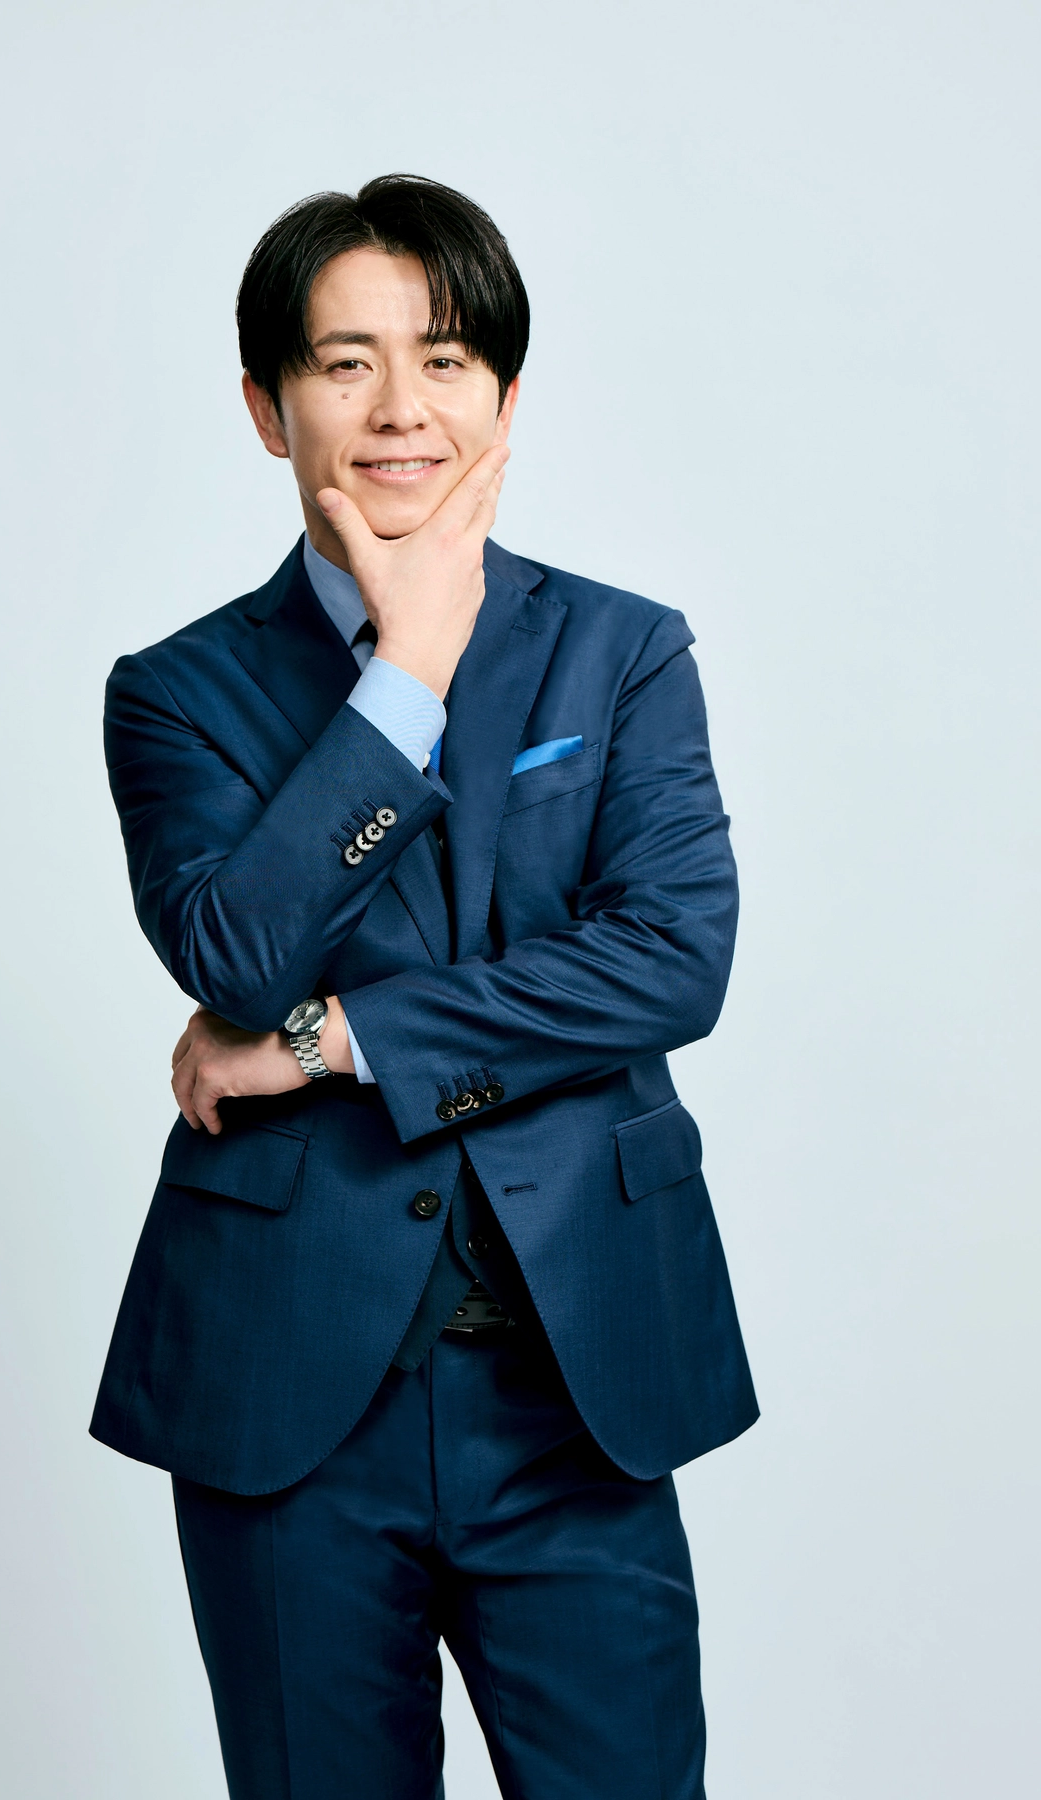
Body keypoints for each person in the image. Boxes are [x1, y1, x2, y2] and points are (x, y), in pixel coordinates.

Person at [91, 173, 758, 1799]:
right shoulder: (178, 693)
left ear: (505, 400)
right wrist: (406, 671)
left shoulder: (623, 653)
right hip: (287, 1387)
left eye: (446, 359)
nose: (402, 407)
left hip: (575, 1374)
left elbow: (672, 960)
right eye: (347, 363)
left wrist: (336, 1039)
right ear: (269, 409)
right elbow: (236, 952)